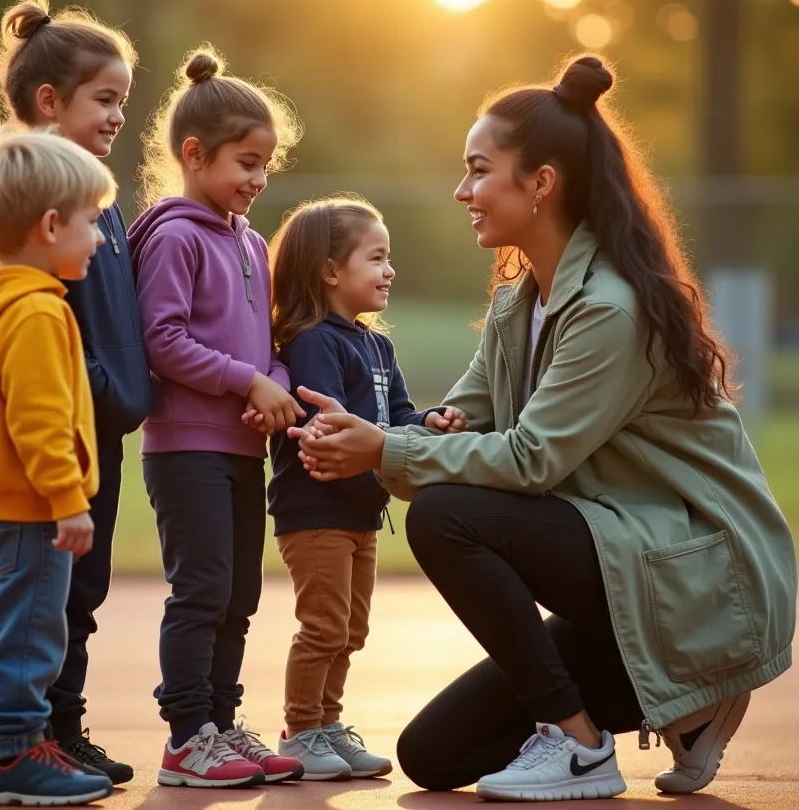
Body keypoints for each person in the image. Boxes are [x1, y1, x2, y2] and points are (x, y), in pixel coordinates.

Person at [288, 55, 798, 802]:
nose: (462, 190)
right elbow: (458, 423)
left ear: (541, 183)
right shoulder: (518, 303)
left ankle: (580, 744)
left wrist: (386, 447)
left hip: (699, 578)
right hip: (625, 563)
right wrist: (378, 434)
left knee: (446, 516)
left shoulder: (609, 309)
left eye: (478, 170)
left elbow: (529, 462)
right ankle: (689, 706)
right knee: (432, 755)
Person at [128, 46, 306, 789]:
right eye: (246, 163)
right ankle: (185, 739)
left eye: (267, 166)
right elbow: (163, 340)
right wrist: (248, 382)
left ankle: (222, 725)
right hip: (185, 448)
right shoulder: (173, 235)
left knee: (239, 596)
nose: (259, 179)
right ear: (195, 154)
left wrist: (276, 385)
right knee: (201, 589)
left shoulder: (252, 241)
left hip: (239, 447)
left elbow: (267, 346)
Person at [0, 0, 153, 785]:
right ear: (50, 101)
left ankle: (58, 731)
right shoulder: (37, 195)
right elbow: (40, 323)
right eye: (105, 99)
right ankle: (25, 741)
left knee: (79, 593)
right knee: (44, 599)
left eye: (123, 100)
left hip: (100, 431)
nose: (119, 115)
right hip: (62, 431)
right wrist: (97, 387)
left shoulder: (97, 196)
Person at [0, 126, 119, 805]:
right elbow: (39, 422)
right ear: (50, 226)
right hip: (31, 506)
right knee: (32, 635)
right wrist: (68, 500)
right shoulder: (36, 313)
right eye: (92, 223)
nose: (100, 240)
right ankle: (15, 756)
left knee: (3, 631)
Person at [265, 195, 467, 780]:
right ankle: (301, 732)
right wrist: (374, 434)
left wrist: (428, 421)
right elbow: (326, 422)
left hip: (362, 512)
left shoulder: (377, 344)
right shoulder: (312, 341)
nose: (390, 270)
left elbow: (395, 416)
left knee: (351, 630)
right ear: (330, 271)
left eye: (389, 258)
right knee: (324, 627)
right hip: (316, 510)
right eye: (376, 258)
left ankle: (328, 725)